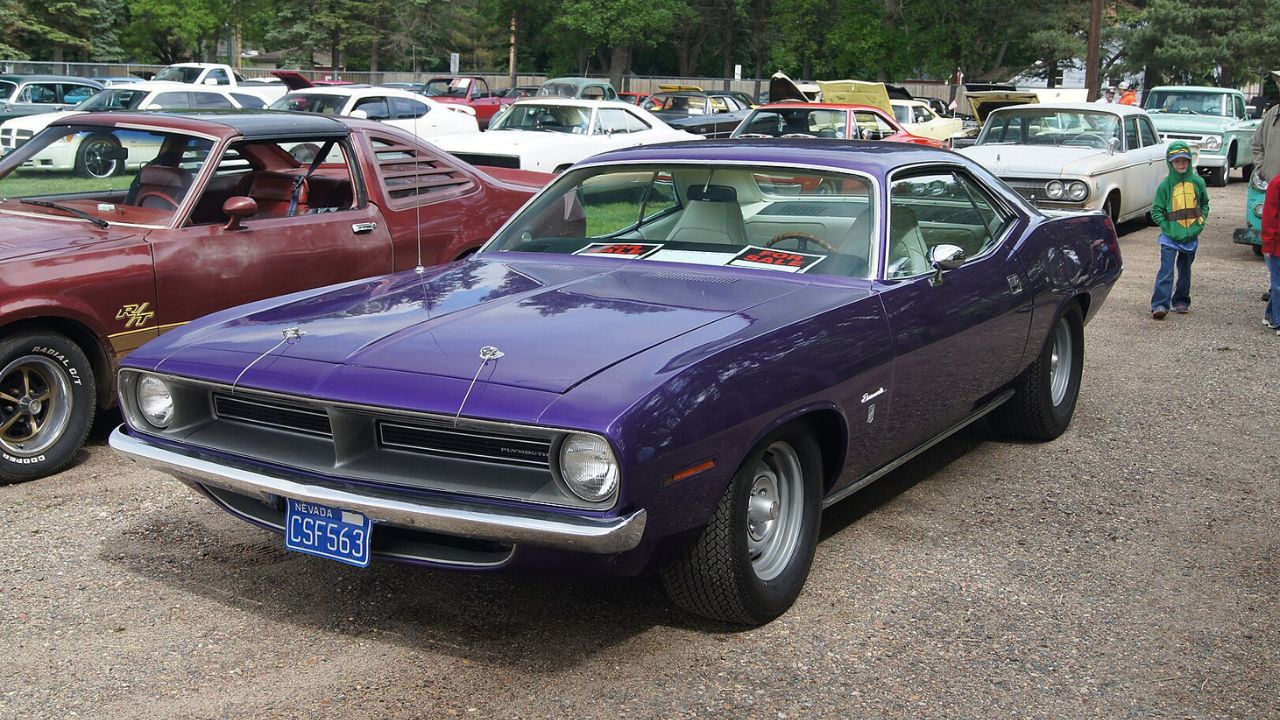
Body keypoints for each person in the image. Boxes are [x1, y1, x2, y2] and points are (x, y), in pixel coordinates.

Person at [1149, 141, 1210, 319]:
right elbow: (1156, 210)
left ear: (1190, 161)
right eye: (1177, 161)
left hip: (1191, 235)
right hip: (1169, 237)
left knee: (1185, 272)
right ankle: (1160, 305)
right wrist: (1165, 226)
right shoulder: (1165, 185)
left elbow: (1204, 204)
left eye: (1184, 160)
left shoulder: (1198, 182)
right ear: (1170, 163)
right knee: (1166, 271)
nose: (1181, 164)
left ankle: (1181, 300)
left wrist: (1201, 221)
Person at [1260, 168, 1280, 333]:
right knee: (1278, 284)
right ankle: (1278, 321)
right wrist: (1268, 243)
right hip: (1276, 245)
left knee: (1277, 284)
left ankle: (1271, 316)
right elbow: (1268, 215)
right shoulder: (1276, 183)